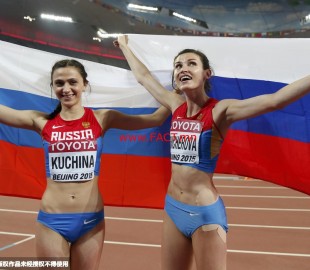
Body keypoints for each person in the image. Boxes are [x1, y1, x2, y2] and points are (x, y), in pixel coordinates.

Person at [114, 35, 310, 270]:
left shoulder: (220, 110)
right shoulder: (175, 105)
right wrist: (124, 46)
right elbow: (144, 78)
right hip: (173, 207)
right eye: (178, 65)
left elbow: (274, 101)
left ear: (207, 73)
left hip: (204, 213)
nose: (183, 69)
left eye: (191, 64)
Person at [0, 59, 171, 270]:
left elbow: (154, 119)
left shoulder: (102, 118)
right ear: (52, 87)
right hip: (52, 221)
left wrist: (177, 92)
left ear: (84, 85)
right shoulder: (41, 121)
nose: (66, 89)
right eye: (59, 83)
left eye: (72, 82)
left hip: (91, 222)